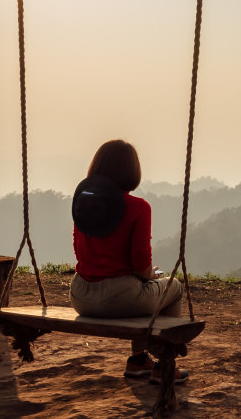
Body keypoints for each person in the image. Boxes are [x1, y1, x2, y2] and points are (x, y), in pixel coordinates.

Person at [69, 139, 186, 383]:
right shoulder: (138, 207)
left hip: (80, 295)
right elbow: (141, 266)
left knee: (142, 290)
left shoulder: (84, 200)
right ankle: (165, 364)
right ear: (132, 170)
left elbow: (78, 249)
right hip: (119, 297)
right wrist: (151, 276)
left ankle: (138, 361)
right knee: (173, 288)